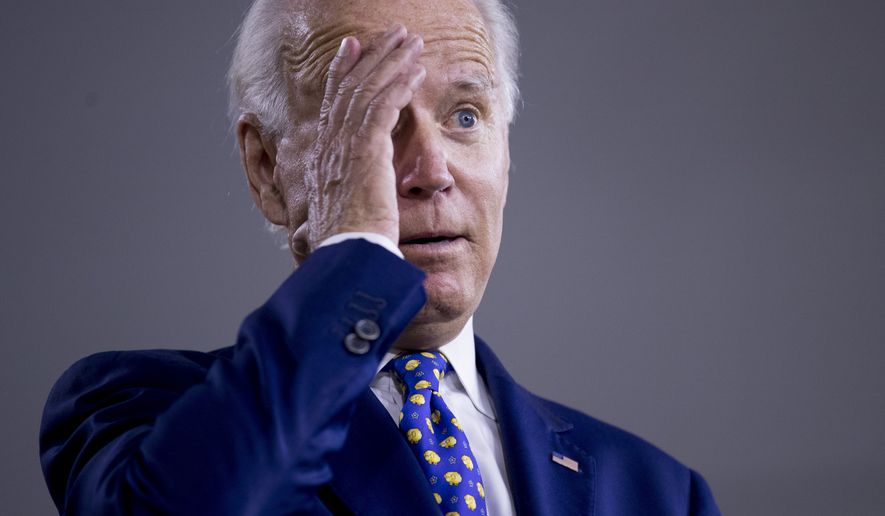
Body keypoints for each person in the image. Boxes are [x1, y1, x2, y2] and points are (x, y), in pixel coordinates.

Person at [39, 0, 721, 514]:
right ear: (267, 169)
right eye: (375, 119)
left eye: (464, 117)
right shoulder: (132, 409)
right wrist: (359, 244)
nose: (431, 169)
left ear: (506, 153)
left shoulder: (657, 491)